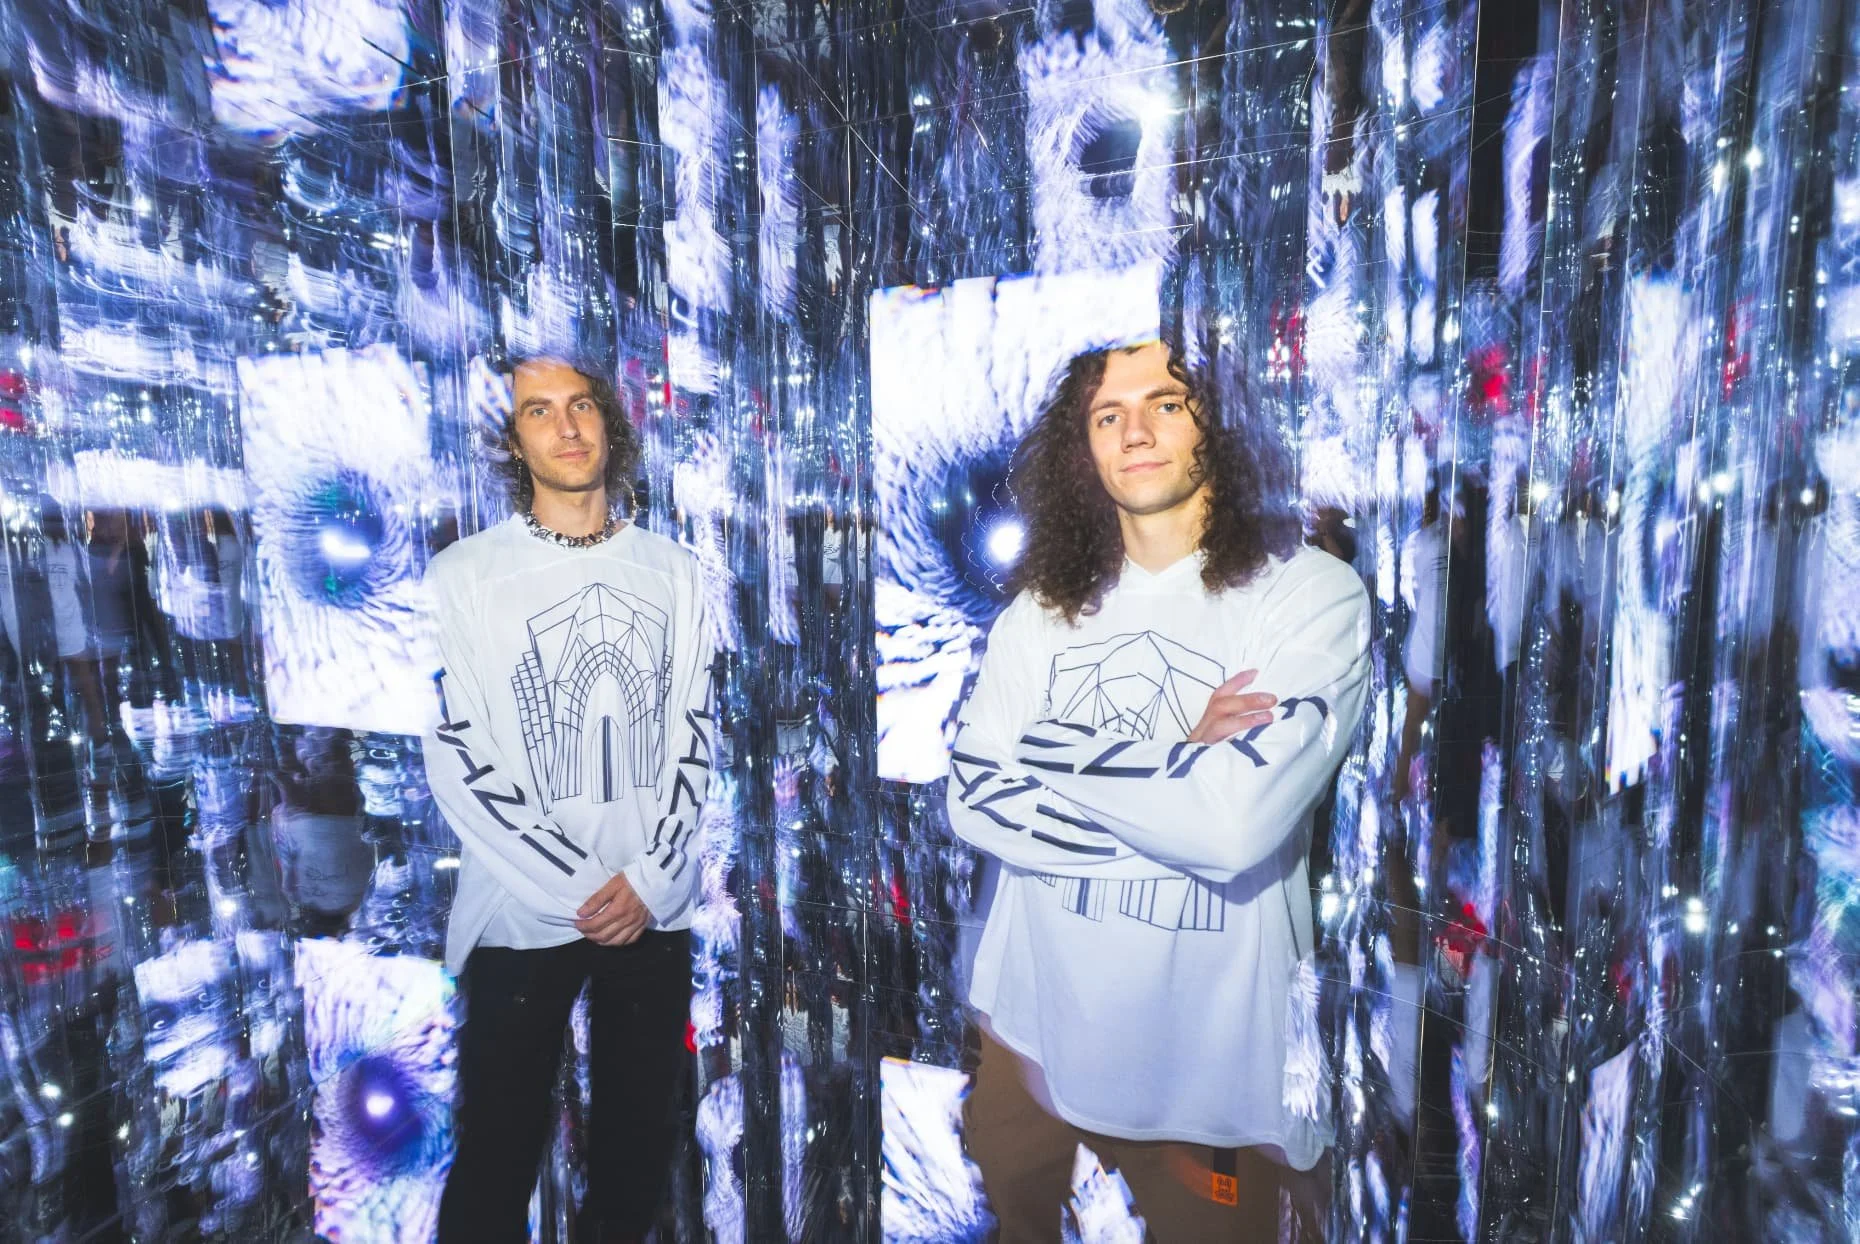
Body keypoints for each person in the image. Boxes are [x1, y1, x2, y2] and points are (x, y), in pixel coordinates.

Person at [947, 337, 1370, 1240]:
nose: (1135, 431)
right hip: (1031, 1043)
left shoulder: (1309, 595)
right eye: (1108, 415)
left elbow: (1229, 828)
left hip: (1211, 1084)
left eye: (1166, 404)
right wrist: (1182, 750)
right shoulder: (1042, 608)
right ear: (1082, 449)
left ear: (1217, 421)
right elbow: (974, 792)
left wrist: (1051, 750)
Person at [425, 354, 716, 1244]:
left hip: (650, 910)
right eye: (540, 411)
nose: (567, 426)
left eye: (582, 405)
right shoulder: (464, 575)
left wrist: (651, 878)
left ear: (609, 423)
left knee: (633, 1159)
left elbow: (695, 735)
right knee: (497, 1158)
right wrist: (587, 885)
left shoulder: (677, 571)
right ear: (514, 440)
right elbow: (459, 753)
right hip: (522, 913)